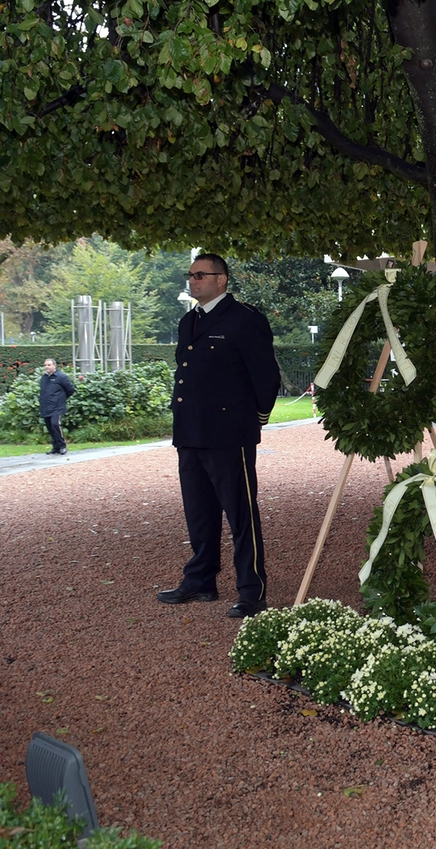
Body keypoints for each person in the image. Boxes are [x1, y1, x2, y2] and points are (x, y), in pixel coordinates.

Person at [157, 253, 280, 619]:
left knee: (240, 513)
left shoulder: (244, 321)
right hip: (191, 432)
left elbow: (266, 376)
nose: (192, 280)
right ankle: (201, 579)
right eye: (190, 275)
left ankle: (252, 589)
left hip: (229, 434)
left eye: (200, 275)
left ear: (222, 279)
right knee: (199, 511)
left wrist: (257, 418)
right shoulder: (188, 321)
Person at [38, 358, 75, 455]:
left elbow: (70, 389)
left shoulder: (61, 377)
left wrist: (60, 398)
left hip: (57, 406)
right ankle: (56, 447)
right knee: (50, 427)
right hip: (46, 406)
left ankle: (62, 446)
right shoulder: (44, 377)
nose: (47, 367)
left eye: (49, 365)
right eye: (45, 365)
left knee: (55, 424)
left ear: (54, 365)